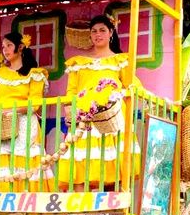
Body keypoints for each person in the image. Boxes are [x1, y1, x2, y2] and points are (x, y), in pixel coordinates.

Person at [59, 14, 140, 190]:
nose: (98, 34)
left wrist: (116, 95)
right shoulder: (78, 63)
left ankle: (112, 210)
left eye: (102, 30)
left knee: (112, 160)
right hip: (84, 118)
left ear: (111, 33)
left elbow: (133, 87)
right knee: (82, 159)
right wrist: (68, 110)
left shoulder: (120, 60)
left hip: (112, 118)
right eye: (94, 31)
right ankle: (80, 209)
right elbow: (71, 92)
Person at [0, 31, 51, 192]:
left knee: (25, 159)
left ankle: (28, 209)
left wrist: (11, 110)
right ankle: (1, 209)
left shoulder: (35, 74)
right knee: (0, 159)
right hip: (1, 123)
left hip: (24, 123)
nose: (5, 50)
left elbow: (34, 104)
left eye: (9, 46)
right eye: (3, 46)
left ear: (20, 47)